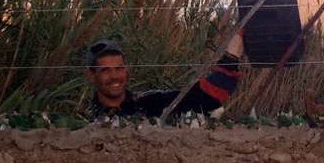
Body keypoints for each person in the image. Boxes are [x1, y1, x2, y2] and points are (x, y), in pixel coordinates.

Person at [84, 33, 243, 120]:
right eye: (105, 70)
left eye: (119, 68)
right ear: (91, 75)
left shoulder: (151, 102)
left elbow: (207, 96)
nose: (114, 76)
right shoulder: (86, 120)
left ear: (126, 70)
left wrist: (233, 52)